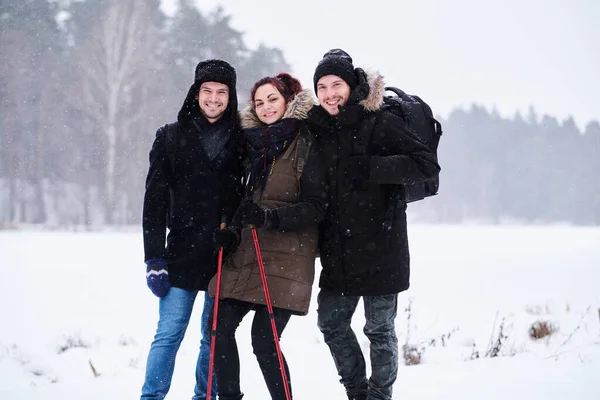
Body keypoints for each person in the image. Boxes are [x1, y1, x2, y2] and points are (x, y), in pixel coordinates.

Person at [307, 49, 441, 400]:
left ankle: (379, 395)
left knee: (379, 330)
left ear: (351, 85)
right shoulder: (318, 128)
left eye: (337, 84)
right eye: (322, 86)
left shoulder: (378, 121)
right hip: (339, 251)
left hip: (382, 245)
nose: (330, 93)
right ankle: (357, 391)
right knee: (331, 323)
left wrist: (372, 167)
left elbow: (426, 165)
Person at [207, 73, 327, 400]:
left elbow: (316, 206)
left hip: (288, 258)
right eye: (259, 102)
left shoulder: (305, 143)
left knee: (264, 338)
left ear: (288, 100)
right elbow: (244, 201)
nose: (265, 107)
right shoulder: (252, 145)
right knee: (217, 328)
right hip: (247, 253)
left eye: (272, 99)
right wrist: (231, 234)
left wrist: (270, 218)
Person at [141, 59, 244, 400]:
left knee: (212, 336)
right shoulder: (170, 137)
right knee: (168, 333)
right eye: (207, 91)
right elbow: (154, 202)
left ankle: (204, 396)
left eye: (222, 92)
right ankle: (151, 396)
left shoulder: (242, 141)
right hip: (180, 254)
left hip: (222, 254)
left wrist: (234, 230)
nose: (214, 99)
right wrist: (154, 256)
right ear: (196, 93)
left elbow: (246, 196)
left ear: (231, 97)